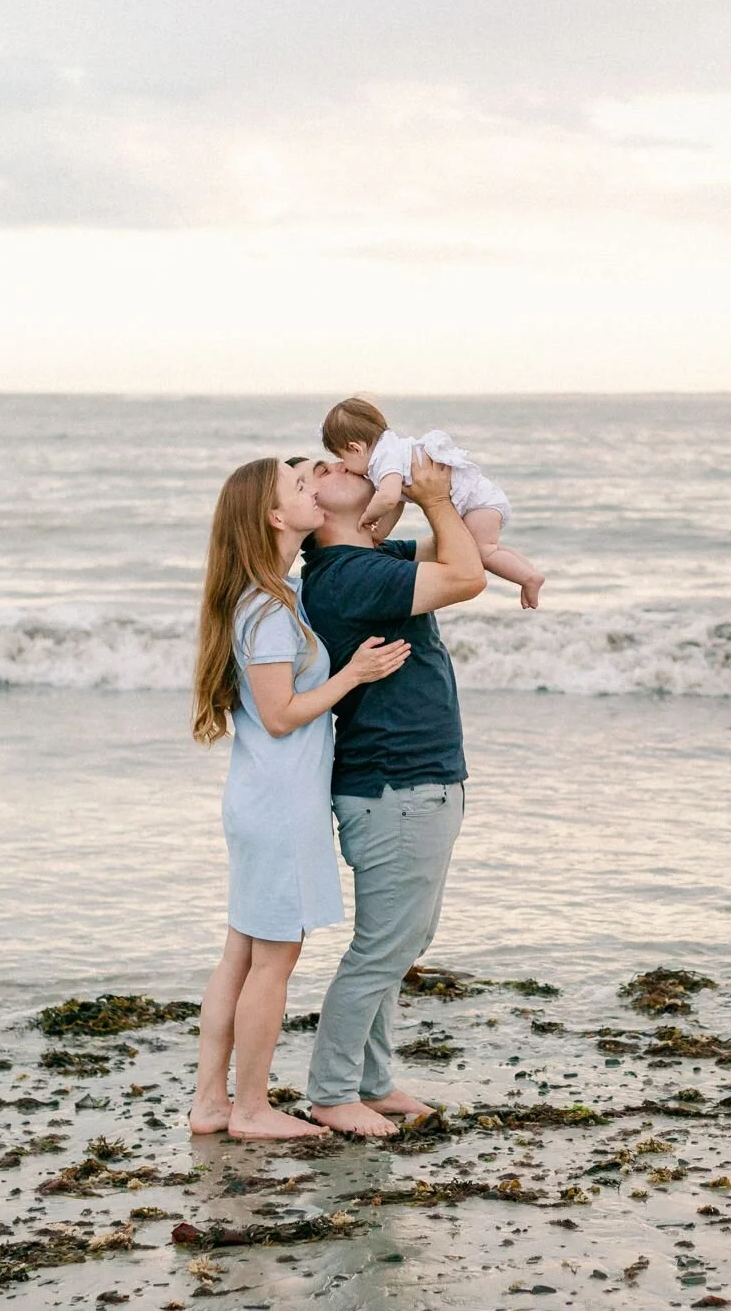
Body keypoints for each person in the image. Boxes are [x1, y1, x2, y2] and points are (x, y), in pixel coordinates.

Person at [185, 455, 410, 1139]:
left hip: (261, 800)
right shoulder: (269, 608)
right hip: (280, 806)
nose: (313, 488)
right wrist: (354, 674)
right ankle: (251, 1110)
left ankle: (211, 1104)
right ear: (276, 518)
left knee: (242, 956)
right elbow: (282, 713)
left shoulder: (262, 596)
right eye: (299, 487)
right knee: (272, 962)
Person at [298, 448, 487, 1137]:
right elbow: (467, 577)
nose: (337, 467)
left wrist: (437, 493)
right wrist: (435, 499)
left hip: (413, 779)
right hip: (395, 784)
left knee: (401, 941)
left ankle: (370, 1082)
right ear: (314, 511)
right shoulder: (350, 576)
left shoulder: (367, 559)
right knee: (383, 948)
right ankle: (332, 1092)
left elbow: (460, 548)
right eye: (317, 473)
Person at [320, 394, 545, 609]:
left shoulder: (382, 461)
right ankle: (531, 572)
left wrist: (369, 515)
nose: (343, 466)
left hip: (476, 502)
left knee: (483, 552)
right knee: (490, 548)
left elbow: (388, 499)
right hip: (481, 498)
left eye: (343, 458)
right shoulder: (392, 450)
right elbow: (398, 502)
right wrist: (379, 534)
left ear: (355, 448)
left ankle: (529, 579)